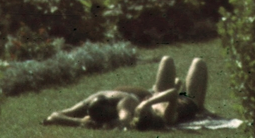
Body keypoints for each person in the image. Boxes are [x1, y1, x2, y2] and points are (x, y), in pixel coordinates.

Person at [43, 55, 206, 129]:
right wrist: (148, 102)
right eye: (141, 113)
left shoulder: (127, 107)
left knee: (167, 59)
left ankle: (179, 86)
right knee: (198, 62)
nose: (139, 111)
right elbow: (171, 94)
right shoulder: (166, 118)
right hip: (186, 100)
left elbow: (53, 116)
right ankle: (201, 106)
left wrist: (81, 122)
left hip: (158, 94)